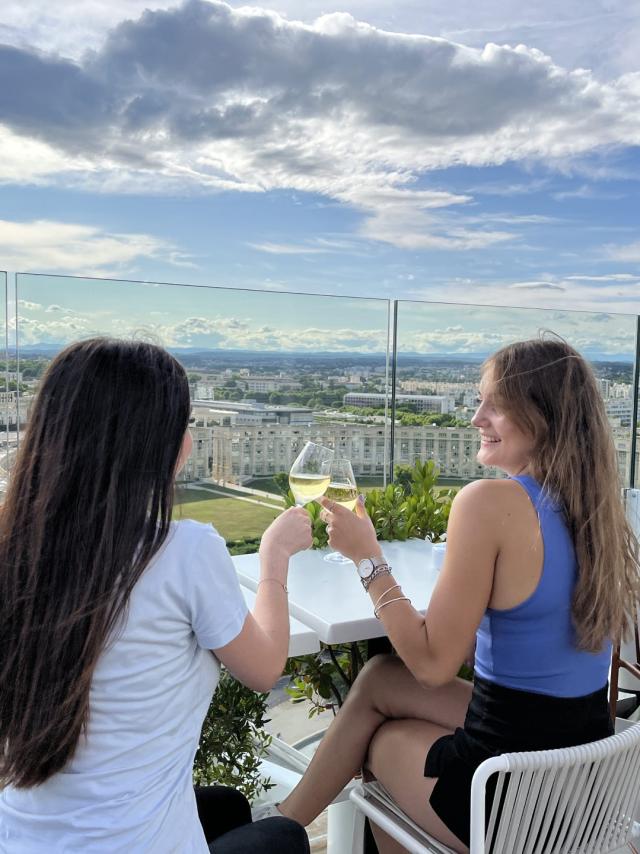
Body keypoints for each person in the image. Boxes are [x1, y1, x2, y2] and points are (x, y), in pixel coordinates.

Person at [264, 336, 640, 853]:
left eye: (496, 405)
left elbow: (434, 667)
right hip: (585, 782)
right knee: (378, 678)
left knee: (381, 743)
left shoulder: (489, 503)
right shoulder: (594, 507)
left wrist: (368, 558)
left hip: (516, 801)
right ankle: (278, 828)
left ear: (543, 417)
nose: (475, 418)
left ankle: (270, 838)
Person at [0, 338, 312, 854]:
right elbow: (263, 669)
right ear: (162, 444)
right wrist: (274, 558)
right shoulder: (183, 550)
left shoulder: (16, 551)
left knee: (228, 807)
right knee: (283, 835)